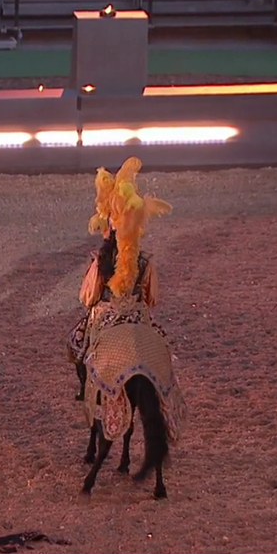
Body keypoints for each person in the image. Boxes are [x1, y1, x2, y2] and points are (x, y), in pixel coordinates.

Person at [66, 156, 187, 441]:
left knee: (76, 343)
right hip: (137, 316)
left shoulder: (101, 260)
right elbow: (151, 298)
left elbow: (89, 297)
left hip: (105, 315)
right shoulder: (144, 261)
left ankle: (85, 388)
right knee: (162, 344)